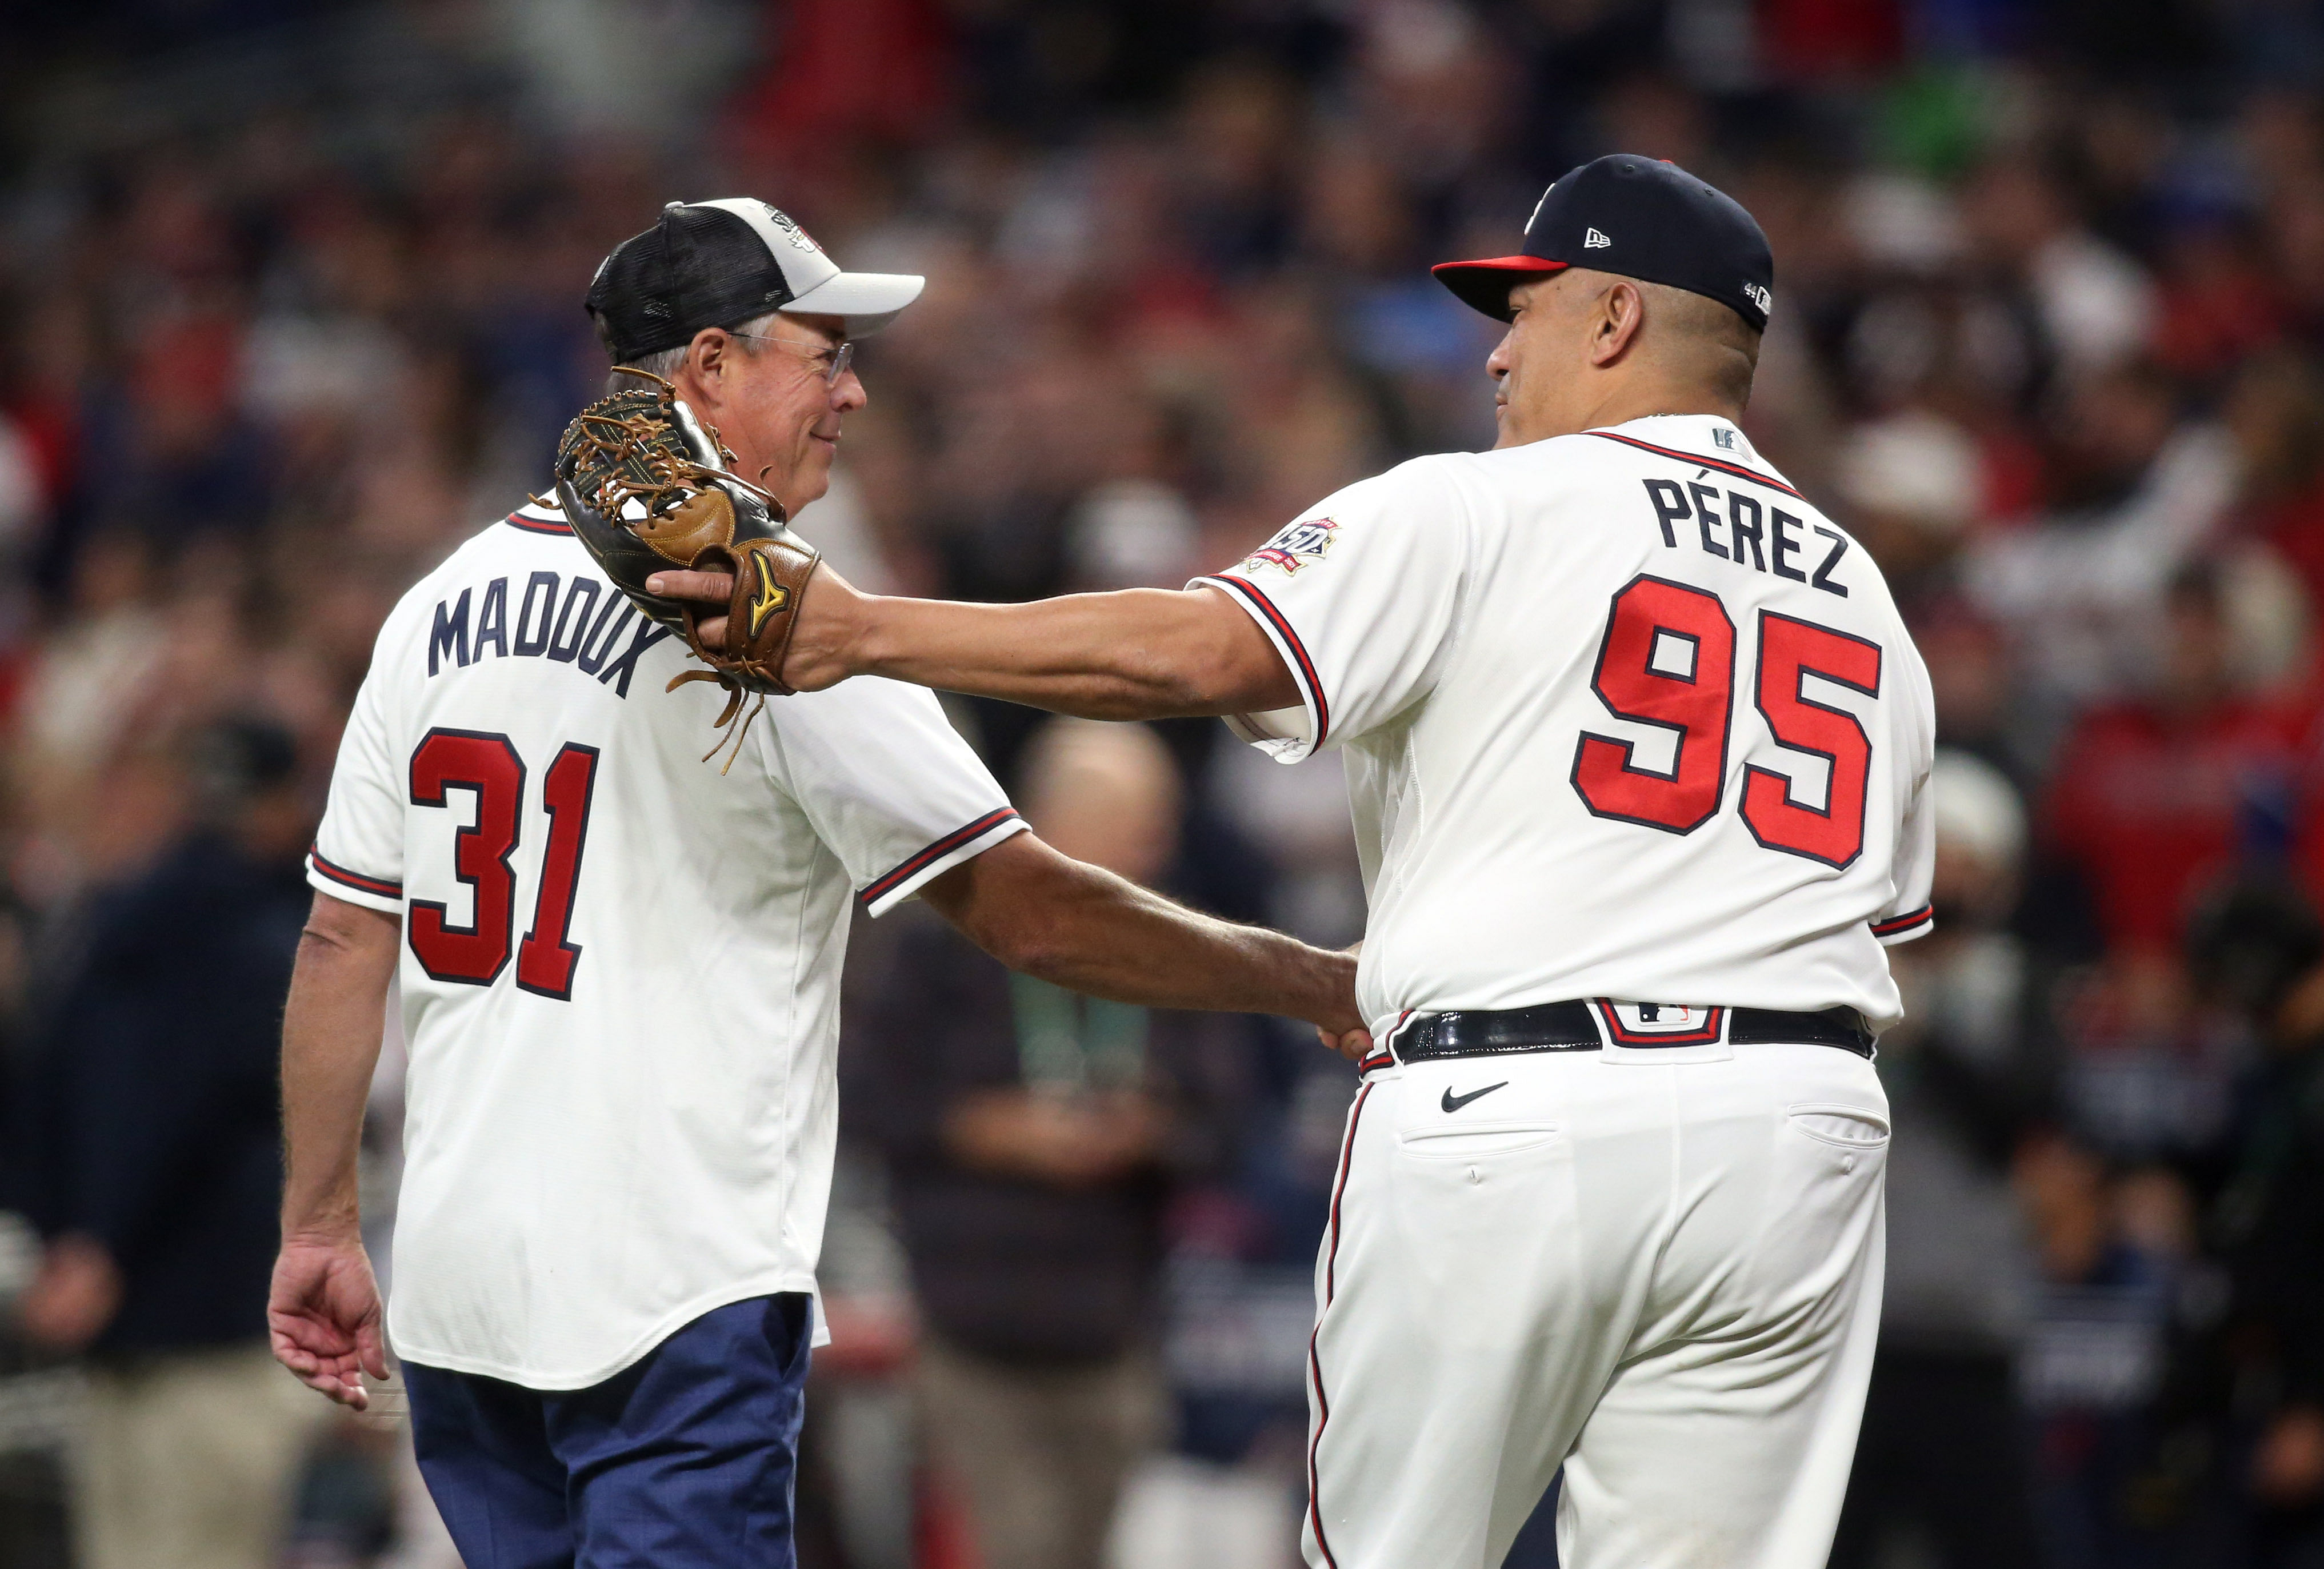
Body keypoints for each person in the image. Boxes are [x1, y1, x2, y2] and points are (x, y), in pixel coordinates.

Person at [656, 155, 1935, 1569]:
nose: (1500, 353)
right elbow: (1888, 909)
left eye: (1530, 310)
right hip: (1801, 1134)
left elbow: (1203, 650)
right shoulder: (1863, 591)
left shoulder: (1480, 506)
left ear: (1618, 319)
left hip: (1521, 1104)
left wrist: (864, 629)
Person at [266, 198, 1363, 1569]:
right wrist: (1310, 975)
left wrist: (317, 1219)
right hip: (670, 1278)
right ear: (711, 368)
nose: (854, 389)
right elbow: (1027, 907)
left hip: (459, 1284)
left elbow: (338, 936)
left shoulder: (438, 601)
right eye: (824, 350)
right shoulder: (770, 617)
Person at [850, 718, 1245, 1569]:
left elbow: (1228, 1116)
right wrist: (985, 1129)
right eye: (1139, 819)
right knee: (1018, 1550)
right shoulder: (942, 936)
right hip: (973, 1332)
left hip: (1115, 1334)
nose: (1160, 842)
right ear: (1059, 817)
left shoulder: (1172, 941)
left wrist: (1150, 1128)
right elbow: (866, 1094)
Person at [15, 718, 327, 1569]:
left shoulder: (101, 930)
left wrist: (73, 1246)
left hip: (118, 1320)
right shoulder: (275, 940)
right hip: (212, 1327)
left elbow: (51, 1096)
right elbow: (176, 1109)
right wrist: (102, 1247)